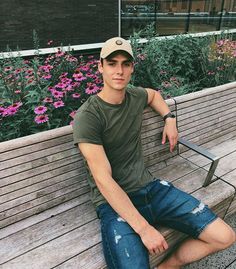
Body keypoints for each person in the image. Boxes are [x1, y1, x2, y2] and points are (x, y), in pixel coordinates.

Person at [73, 37, 235, 269]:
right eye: (111, 63)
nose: (119, 70)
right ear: (100, 67)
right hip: (114, 203)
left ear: (131, 68)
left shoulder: (134, 96)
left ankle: (167, 266)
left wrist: (169, 119)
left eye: (125, 64)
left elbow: (153, 95)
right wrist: (144, 229)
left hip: (151, 188)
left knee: (225, 236)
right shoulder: (88, 116)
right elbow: (103, 179)